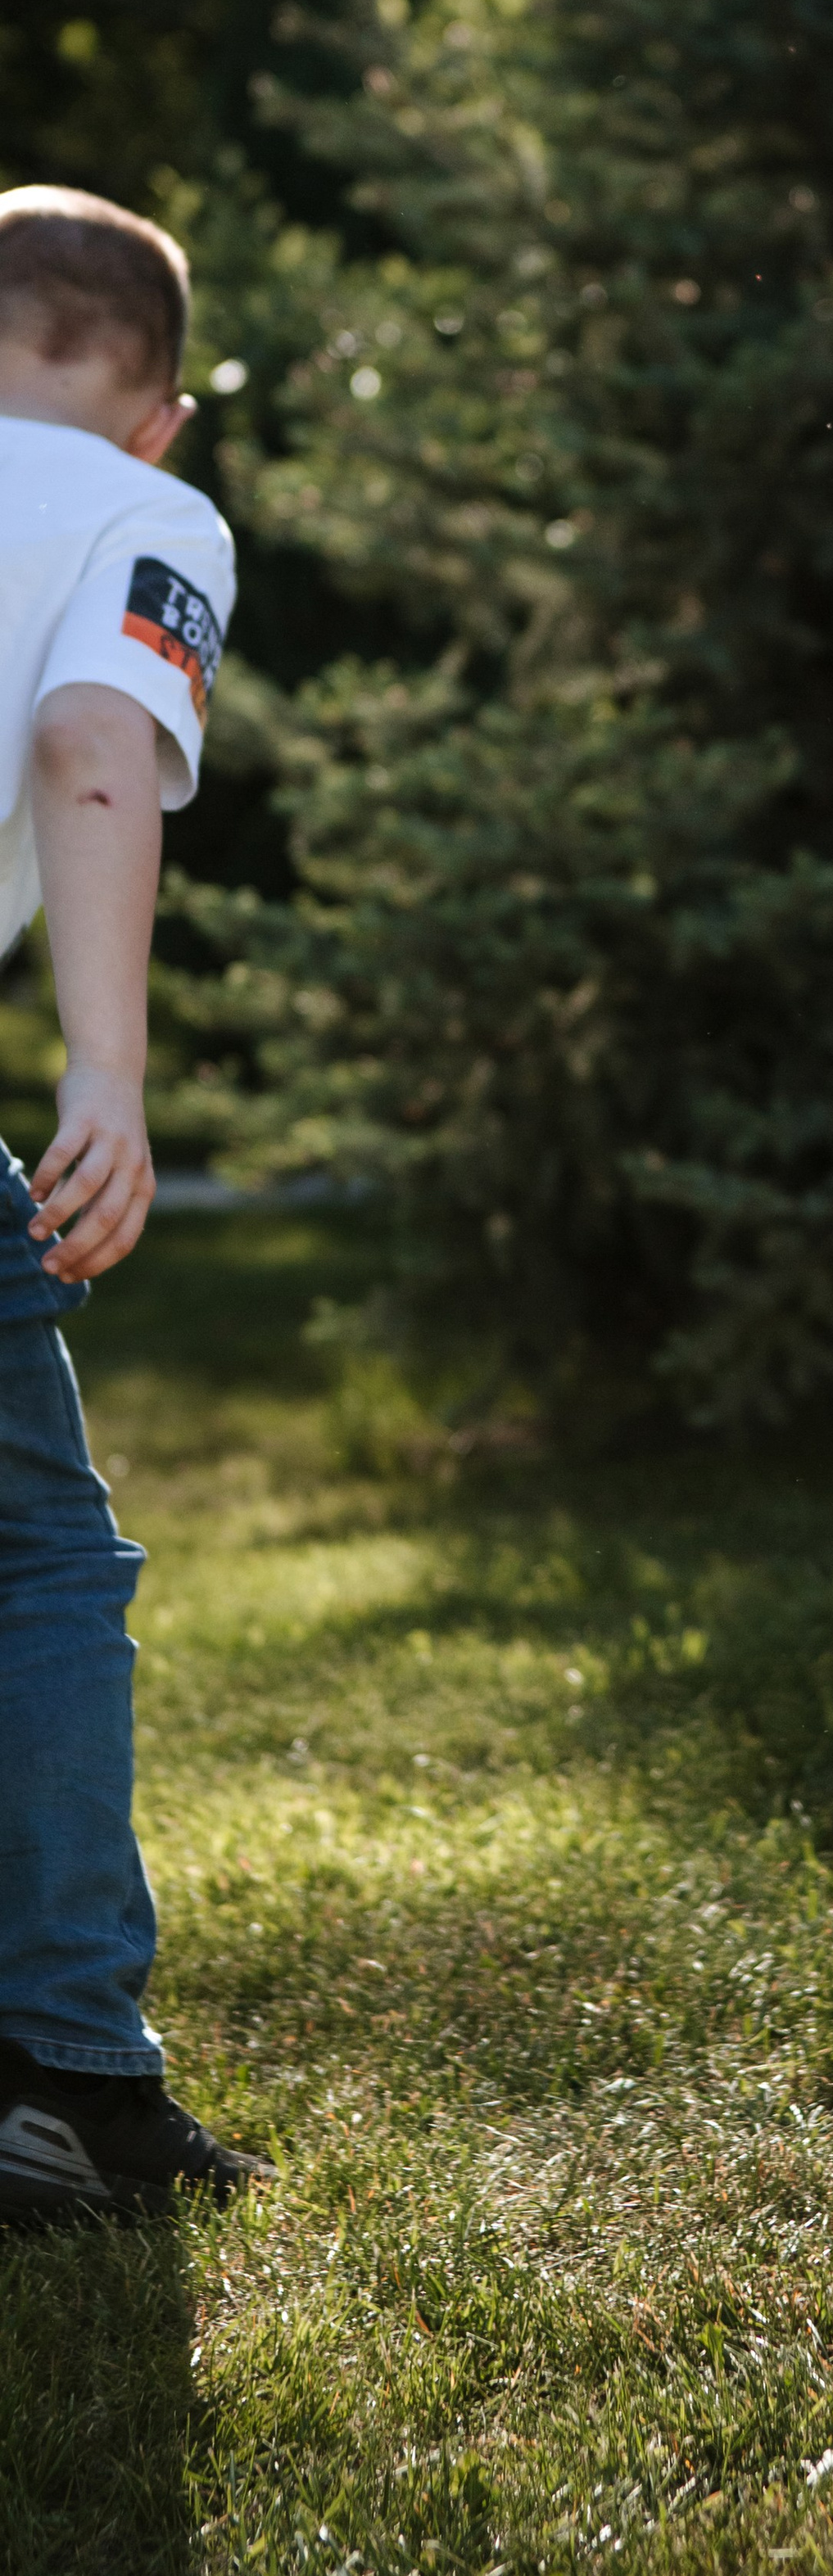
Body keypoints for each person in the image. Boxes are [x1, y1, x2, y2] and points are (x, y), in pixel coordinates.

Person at [0, 183, 268, 2215]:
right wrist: (106, 1072)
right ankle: (69, 2073)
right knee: (39, 1565)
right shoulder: (132, 514)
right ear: (160, 413)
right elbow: (95, 740)